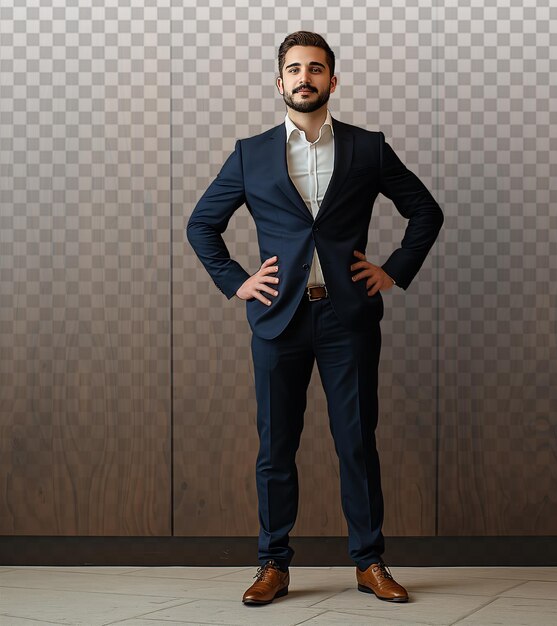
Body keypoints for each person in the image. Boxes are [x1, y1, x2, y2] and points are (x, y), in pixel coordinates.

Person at [186, 30, 443, 606]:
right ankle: (272, 564)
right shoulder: (250, 154)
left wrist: (393, 270)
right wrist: (238, 283)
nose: (306, 77)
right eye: (295, 69)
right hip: (278, 321)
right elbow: (201, 225)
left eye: (317, 69)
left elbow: (426, 211)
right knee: (276, 447)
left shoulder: (367, 147)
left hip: (347, 320)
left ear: (333, 79)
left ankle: (369, 561)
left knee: (356, 442)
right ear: (279, 82)